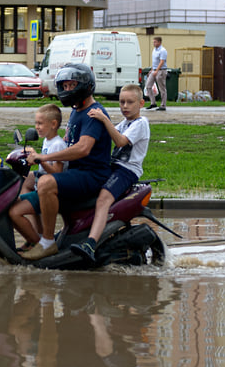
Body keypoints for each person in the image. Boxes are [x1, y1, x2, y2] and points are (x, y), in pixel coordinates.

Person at [11, 63, 113, 261]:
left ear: (85, 85)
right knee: (28, 180)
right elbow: (66, 144)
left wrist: (44, 157)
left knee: (47, 183)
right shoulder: (77, 110)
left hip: (92, 175)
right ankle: (38, 237)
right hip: (76, 173)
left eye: (71, 85)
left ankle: (48, 242)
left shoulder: (93, 113)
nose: (67, 90)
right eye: (64, 86)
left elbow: (83, 148)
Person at [70, 84, 150, 262]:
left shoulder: (141, 123)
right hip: (114, 166)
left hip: (127, 171)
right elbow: (108, 136)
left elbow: (120, 141)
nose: (125, 106)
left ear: (141, 103)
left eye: (130, 102)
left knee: (103, 199)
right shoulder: (124, 123)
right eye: (122, 102)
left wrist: (104, 119)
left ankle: (90, 243)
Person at [21, 103, 67, 194]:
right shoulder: (47, 140)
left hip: (51, 188)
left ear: (53, 124)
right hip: (41, 180)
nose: (36, 127)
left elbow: (58, 173)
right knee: (22, 180)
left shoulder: (58, 145)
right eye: (36, 123)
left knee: (17, 206)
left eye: (40, 123)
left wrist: (40, 160)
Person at [144, 36, 168, 111]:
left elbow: (162, 61)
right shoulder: (154, 50)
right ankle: (153, 103)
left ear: (159, 42)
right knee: (148, 86)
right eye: (153, 42)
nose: (153, 43)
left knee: (162, 88)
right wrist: (152, 70)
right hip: (154, 70)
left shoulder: (163, 50)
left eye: (155, 42)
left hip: (161, 70)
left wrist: (157, 70)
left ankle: (163, 105)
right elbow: (155, 61)